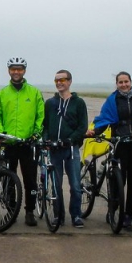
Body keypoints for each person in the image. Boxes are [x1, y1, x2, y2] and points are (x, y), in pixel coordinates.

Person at [89, 71, 132, 229]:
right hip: (120, 143)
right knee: (118, 178)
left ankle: (128, 214)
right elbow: (104, 119)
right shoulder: (112, 100)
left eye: (126, 81)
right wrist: (95, 131)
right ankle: (113, 209)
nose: (124, 85)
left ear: (131, 82)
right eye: (120, 82)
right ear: (117, 84)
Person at [0, 56, 45, 227]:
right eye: (13, 69)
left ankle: (30, 211)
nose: (16, 72)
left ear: (24, 71)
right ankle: (11, 209)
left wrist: (36, 133)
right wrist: (1, 132)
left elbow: (40, 117)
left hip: (28, 144)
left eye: (19, 69)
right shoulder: (3, 93)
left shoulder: (34, 93)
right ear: (9, 71)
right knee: (8, 180)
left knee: (30, 181)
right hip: (9, 143)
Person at [43, 69, 89, 228]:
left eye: (62, 80)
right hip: (54, 149)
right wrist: (46, 139)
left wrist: (71, 140)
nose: (59, 83)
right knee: (56, 185)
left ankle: (76, 215)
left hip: (71, 149)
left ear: (69, 81)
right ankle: (58, 216)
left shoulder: (79, 103)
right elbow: (45, 125)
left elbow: (82, 126)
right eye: (56, 80)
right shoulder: (50, 103)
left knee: (75, 185)